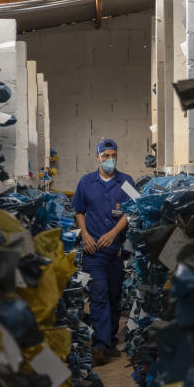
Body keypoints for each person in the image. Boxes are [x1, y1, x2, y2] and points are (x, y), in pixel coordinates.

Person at [72, 139, 135, 366]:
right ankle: (100, 345)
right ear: (97, 157)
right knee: (98, 295)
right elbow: (78, 211)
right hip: (94, 252)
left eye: (114, 155)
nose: (110, 159)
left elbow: (132, 211)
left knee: (114, 297)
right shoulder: (86, 182)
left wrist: (114, 233)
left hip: (116, 252)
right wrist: (86, 235)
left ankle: (108, 338)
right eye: (106, 155)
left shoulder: (125, 181)